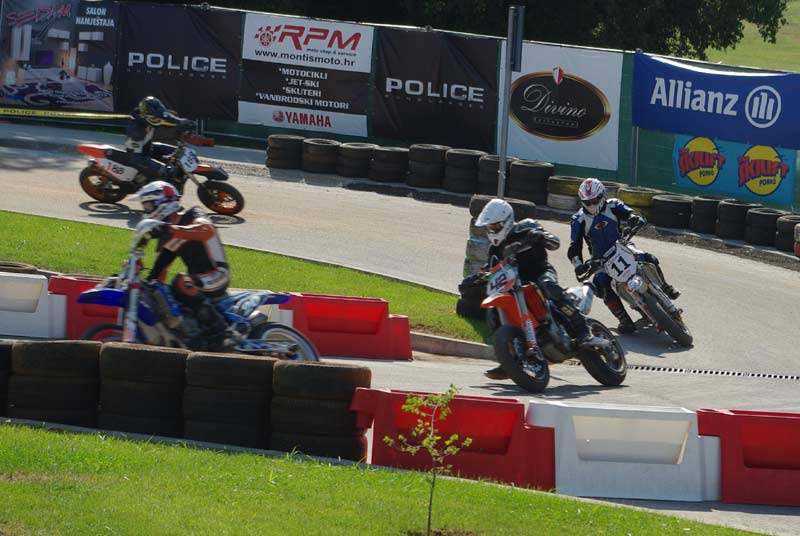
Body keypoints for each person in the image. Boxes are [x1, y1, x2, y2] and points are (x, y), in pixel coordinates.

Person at [475, 198, 605, 380]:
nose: (492, 230)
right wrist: (478, 277)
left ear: (506, 220)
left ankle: (583, 330)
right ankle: (511, 358)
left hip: (540, 273)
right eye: (490, 227)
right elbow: (490, 269)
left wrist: (540, 236)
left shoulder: (526, 226)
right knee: (493, 312)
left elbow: (555, 242)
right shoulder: (494, 250)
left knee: (548, 286)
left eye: (495, 226)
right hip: (515, 286)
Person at [568, 178, 680, 333]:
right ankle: (624, 320)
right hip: (600, 260)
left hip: (622, 245)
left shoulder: (613, 204)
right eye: (588, 202)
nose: (592, 204)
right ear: (582, 201)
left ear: (603, 195)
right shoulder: (578, 219)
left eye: (595, 200)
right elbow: (574, 247)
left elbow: (630, 213)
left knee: (649, 258)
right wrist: (578, 265)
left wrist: (635, 219)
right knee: (600, 283)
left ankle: (665, 286)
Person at [133, 181, 230, 350]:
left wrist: (171, 229)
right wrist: (142, 278)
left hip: (218, 275)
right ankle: (186, 335)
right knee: (162, 292)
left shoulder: (194, 215)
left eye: (148, 206)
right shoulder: (169, 233)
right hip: (198, 281)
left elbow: (207, 230)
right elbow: (161, 268)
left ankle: (223, 333)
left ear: (162, 202)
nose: (146, 211)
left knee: (181, 281)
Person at [124, 96, 195, 182]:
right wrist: (145, 126)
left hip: (149, 147)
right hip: (137, 156)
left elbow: (166, 116)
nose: (158, 119)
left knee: (179, 152)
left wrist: (182, 121)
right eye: (155, 117)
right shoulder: (135, 125)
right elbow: (135, 155)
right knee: (167, 171)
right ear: (146, 115)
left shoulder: (149, 115)